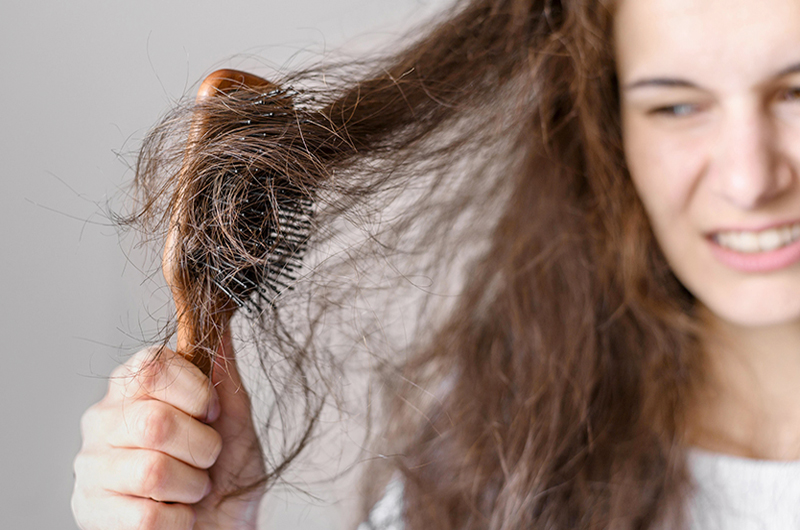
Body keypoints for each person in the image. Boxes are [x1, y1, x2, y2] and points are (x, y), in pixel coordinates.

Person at [71, 0, 800, 528]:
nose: (750, 178)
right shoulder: (512, 444)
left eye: (796, 93)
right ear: (611, 133)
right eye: (675, 107)